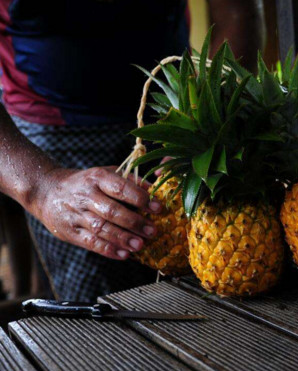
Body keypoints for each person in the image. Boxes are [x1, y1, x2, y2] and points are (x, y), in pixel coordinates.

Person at [0, 0, 266, 302]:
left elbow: (237, 12)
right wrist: (43, 188)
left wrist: (204, 123)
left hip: (178, 109)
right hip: (54, 129)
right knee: (97, 305)